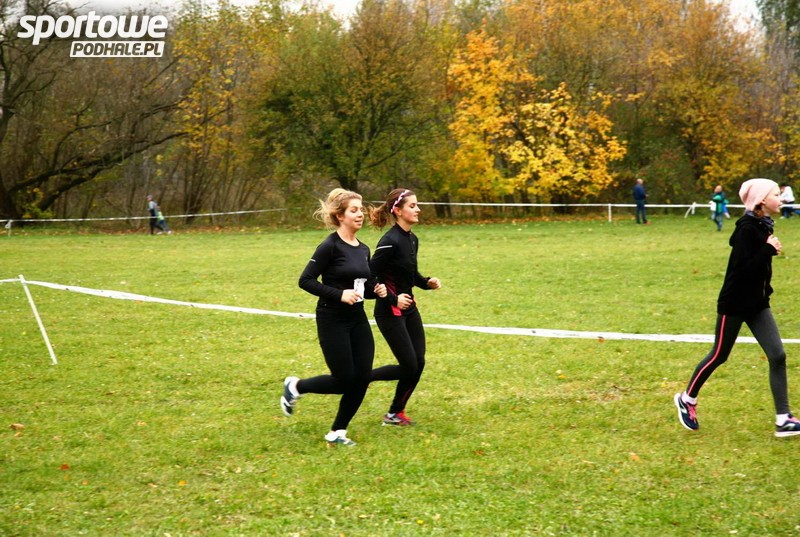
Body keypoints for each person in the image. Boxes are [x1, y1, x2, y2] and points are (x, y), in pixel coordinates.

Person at [674, 178, 800, 438]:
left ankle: (783, 419)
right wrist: (768, 250)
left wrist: (765, 275)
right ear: (762, 200)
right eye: (776, 195)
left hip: (758, 304)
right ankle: (687, 399)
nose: (781, 199)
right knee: (719, 355)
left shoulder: (763, 224)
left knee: (777, 355)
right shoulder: (746, 229)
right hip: (734, 304)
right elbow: (743, 270)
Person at [280, 188, 387, 447]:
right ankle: (296, 387)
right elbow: (305, 280)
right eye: (354, 210)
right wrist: (339, 294)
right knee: (343, 381)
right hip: (332, 319)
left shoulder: (363, 249)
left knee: (362, 378)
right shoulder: (330, 246)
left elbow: (362, 287)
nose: (360, 214)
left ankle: (338, 432)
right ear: (340, 216)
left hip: (357, 319)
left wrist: (376, 290)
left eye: (361, 210)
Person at [368, 188, 441, 426]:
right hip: (389, 311)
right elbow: (369, 276)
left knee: (418, 362)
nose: (418, 209)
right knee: (409, 365)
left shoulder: (412, 239)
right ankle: (363, 378)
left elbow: (410, 275)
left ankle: (395, 413)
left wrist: (426, 283)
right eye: (412, 206)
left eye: (417, 205)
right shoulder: (389, 242)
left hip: (409, 309)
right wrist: (393, 299)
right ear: (398, 211)